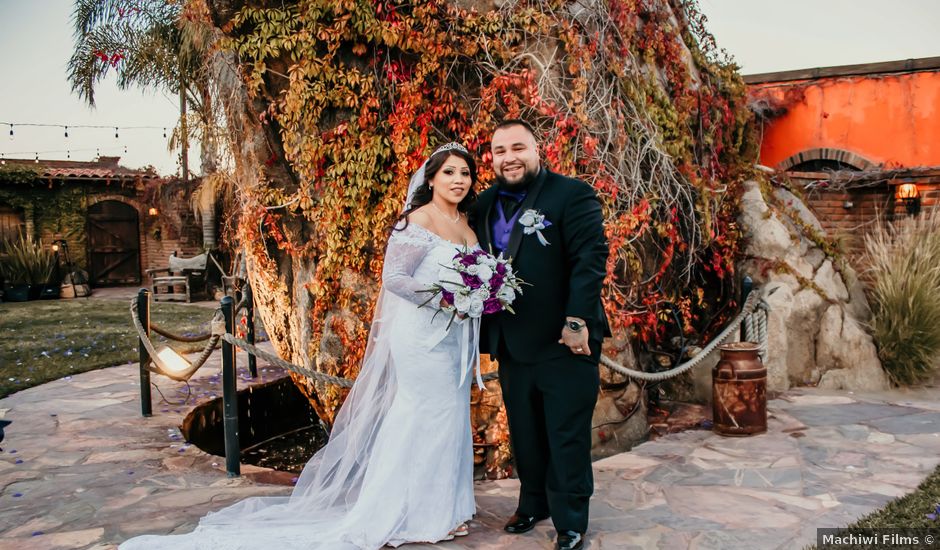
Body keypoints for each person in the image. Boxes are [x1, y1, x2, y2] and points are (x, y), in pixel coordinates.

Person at [120, 143, 482, 550]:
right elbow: (396, 278)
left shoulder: (465, 224)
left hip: (451, 339)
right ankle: (414, 512)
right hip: (420, 338)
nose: (458, 181)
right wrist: (446, 295)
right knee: (423, 417)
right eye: (449, 173)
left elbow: (472, 276)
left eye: (465, 174)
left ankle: (446, 509)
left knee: (449, 417)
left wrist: (479, 293)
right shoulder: (418, 220)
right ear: (431, 178)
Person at [471, 119, 610, 550]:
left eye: (518, 147)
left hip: (564, 340)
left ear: (537, 150)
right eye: (499, 150)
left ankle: (571, 520)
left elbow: (591, 258)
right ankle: (532, 504)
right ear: (491, 157)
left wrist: (576, 321)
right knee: (526, 432)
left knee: (566, 433)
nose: (509, 157)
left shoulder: (571, 194)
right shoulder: (482, 203)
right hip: (511, 343)